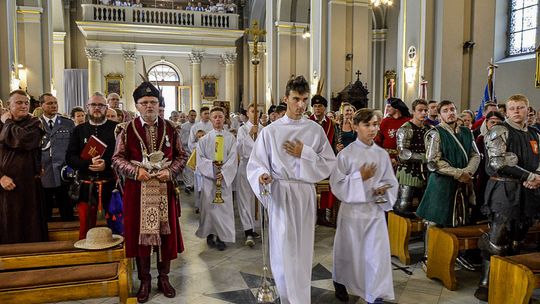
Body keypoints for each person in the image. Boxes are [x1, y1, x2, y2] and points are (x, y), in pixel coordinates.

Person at [247, 76, 336, 303]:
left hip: (304, 193)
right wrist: (262, 175)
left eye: (304, 99)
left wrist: (304, 153)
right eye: (296, 99)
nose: (301, 105)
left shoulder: (314, 130)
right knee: (282, 249)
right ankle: (287, 297)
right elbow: (255, 164)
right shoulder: (270, 131)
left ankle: (300, 298)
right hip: (280, 193)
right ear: (286, 98)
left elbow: (329, 163)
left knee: (303, 250)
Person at [112, 81, 187, 303]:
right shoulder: (125, 129)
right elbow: (116, 158)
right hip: (138, 192)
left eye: (153, 102)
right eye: (144, 103)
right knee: (141, 238)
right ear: (137, 106)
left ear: (158, 104)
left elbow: (182, 156)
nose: (149, 106)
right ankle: (145, 280)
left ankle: (163, 277)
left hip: (165, 189)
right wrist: (136, 171)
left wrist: (171, 172)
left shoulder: (171, 128)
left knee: (166, 235)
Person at [474, 94, 540, 300]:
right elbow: (498, 163)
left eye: (521, 108)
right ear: (507, 111)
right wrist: (528, 175)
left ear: (528, 110)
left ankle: (509, 279)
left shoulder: (535, 133)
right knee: (497, 238)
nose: (517, 111)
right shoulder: (499, 130)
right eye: (512, 108)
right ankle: (486, 282)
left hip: (528, 191)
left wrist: (536, 176)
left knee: (518, 237)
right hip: (504, 190)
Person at [330, 108, 398, 304]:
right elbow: (337, 184)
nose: (372, 129)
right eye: (367, 125)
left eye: (375, 124)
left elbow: (391, 182)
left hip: (374, 211)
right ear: (355, 126)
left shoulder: (381, 154)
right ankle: (341, 282)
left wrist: (383, 189)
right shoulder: (346, 154)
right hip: (352, 212)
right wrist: (360, 177)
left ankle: (375, 294)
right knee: (349, 253)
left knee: (375, 254)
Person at [416, 100, 480, 268]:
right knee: (434, 220)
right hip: (441, 183)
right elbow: (433, 162)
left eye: (452, 109)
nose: (450, 112)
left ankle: (454, 255)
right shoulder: (435, 133)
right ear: (440, 115)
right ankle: (428, 257)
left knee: (457, 219)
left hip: (463, 183)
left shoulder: (466, 132)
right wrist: (459, 173)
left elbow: (476, 154)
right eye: (445, 110)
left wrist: (469, 172)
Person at [66, 92, 118, 240]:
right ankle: (86, 259)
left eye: (101, 105)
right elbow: (69, 158)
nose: (97, 108)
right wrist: (89, 164)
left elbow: (124, 156)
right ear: (87, 107)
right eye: (93, 105)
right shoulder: (78, 130)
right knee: (85, 230)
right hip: (86, 188)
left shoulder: (117, 129)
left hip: (110, 186)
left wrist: (106, 164)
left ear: (106, 108)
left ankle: (117, 261)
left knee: (116, 227)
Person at [0, 90, 47, 244]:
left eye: (26, 103)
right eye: (19, 102)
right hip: (5, 186)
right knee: (9, 227)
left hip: (29, 186)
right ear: (8, 105)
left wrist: (7, 122)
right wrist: (0, 177)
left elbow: (23, 140)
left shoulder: (34, 123)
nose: (24, 106)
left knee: (31, 228)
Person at [195, 107, 238, 251]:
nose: (218, 119)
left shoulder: (230, 138)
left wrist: (224, 172)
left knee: (223, 209)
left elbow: (233, 158)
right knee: (209, 208)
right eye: (215, 117)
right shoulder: (204, 139)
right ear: (211, 119)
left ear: (224, 118)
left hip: (224, 180)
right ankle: (209, 234)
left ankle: (221, 237)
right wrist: (212, 169)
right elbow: (199, 159)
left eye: (220, 117)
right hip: (209, 180)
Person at [39, 93, 75, 221]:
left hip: (63, 173)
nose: (54, 105)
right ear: (41, 105)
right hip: (44, 174)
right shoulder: (35, 124)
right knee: (45, 212)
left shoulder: (67, 124)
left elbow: (74, 148)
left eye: (55, 103)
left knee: (67, 210)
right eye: (49, 103)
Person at [394, 99, 430, 218]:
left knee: (424, 206)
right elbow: (403, 153)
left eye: (426, 110)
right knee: (403, 206)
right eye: (420, 110)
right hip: (408, 172)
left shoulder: (428, 129)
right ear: (413, 111)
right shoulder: (406, 128)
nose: (424, 113)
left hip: (425, 172)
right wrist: (425, 157)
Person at [236, 103, 262, 247]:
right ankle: (248, 231)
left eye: (258, 111)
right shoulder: (243, 130)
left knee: (256, 199)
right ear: (248, 112)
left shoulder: (264, 129)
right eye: (253, 111)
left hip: (259, 169)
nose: (256, 113)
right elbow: (239, 149)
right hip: (246, 167)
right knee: (245, 199)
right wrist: (250, 134)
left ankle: (254, 226)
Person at [309, 94, 337, 226]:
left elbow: (335, 142)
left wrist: (337, 148)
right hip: (310, 161)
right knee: (311, 188)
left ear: (324, 108)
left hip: (325, 161)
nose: (317, 108)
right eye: (315, 106)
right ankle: (310, 214)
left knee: (325, 189)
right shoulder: (308, 123)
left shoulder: (332, 124)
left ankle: (322, 216)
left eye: (320, 106)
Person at [375, 98, 411, 166]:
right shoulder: (385, 121)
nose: (387, 109)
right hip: (386, 159)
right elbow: (378, 141)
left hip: (404, 159)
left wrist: (397, 159)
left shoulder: (408, 121)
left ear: (396, 108)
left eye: (389, 106)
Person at [181, 110, 197, 194]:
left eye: (195, 115)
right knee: (187, 168)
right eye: (192, 115)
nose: (193, 117)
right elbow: (180, 138)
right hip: (186, 149)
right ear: (188, 116)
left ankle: (194, 184)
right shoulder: (183, 126)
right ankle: (188, 185)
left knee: (195, 168)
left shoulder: (197, 125)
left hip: (195, 149)